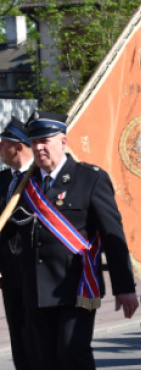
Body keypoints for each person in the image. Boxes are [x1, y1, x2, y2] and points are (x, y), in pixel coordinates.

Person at [16, 110, 139, 370]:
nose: (39, 147)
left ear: (63, 141)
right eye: (34, 141)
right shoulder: (24, 185)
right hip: (36, 289)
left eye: (45, 140)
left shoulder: (90, 178)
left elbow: (112, 235)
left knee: (73, 353)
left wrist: (124, 287)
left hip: (81, 287)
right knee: (44, 360)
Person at [0, 116, 37, 370]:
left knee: (37, 336)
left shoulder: (40, 178)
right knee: (18, 336)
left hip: (38, 271)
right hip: (9, 272)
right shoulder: (1, 180)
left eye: (3, 143)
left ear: (19, 147)